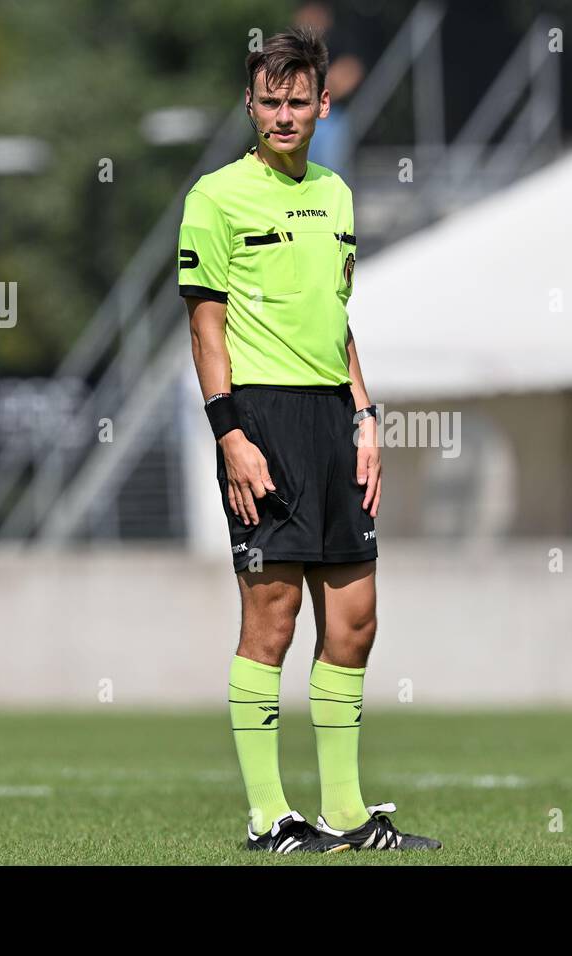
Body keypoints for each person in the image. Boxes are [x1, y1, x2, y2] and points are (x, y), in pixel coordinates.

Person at [179, 25, 441, 854]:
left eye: (299, 101)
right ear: (249, 104)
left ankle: (348, 815)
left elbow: (339, 318)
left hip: (333, 419)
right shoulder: (215, 197)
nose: (284, 115)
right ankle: (268, 818)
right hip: (261, 419)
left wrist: (365, 417)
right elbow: (205, 330)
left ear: (324, 105)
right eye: (270, 101)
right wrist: (230, 436)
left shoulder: (336, 193)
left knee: (356, 620)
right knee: (273, 617)